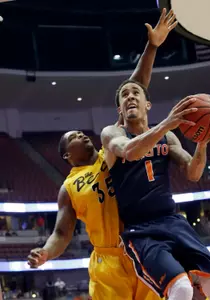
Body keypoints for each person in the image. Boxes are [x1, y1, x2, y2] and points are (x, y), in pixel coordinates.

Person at [27, 8, 177, 300]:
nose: (81, 134)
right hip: (106, 261)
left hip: (142, 245)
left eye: (81, 133)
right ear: (67, 156)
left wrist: (152, 46)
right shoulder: (68, 188)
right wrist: (45, 252)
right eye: (72, 137)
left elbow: (134, 87)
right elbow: (62, 233)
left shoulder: (113, 146)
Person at [101, 82, 210, 300]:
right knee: (181, 289)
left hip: (172, 221)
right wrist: (166, 124)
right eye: (125, 95)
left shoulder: (168, 138)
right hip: (141, 230)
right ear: (120, 110)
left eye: (136, 93)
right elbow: (129, 151)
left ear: (148, 104)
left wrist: (202, 143)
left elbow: (193, 173)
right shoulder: (112, 133)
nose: (130, 97)